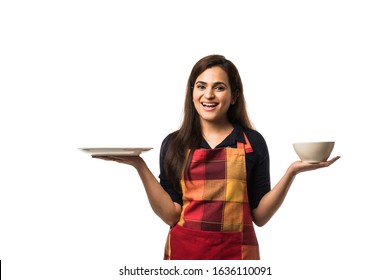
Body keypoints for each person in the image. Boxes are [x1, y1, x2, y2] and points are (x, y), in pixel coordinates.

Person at [93, 54, 340, 260]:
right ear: (192, 93)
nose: (208, 95)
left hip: (237, 258)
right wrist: (138, 165)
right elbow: (170, 214)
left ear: (233, 96)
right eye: (201, 86)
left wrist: (292, 172)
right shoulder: (174, 144)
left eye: (219, 87)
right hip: (184, 258)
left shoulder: (252, 143)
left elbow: (260, 217)